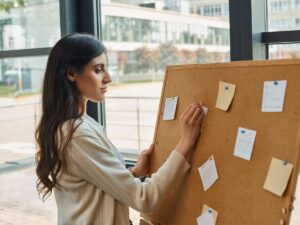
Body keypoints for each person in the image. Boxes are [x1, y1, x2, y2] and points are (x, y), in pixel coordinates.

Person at [35, 33, 205, 225]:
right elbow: (144, 198)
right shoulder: (76, 134)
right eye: (98, 70)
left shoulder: (78, 124)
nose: (108, 78)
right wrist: (186, 142)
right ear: (72, 74)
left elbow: (92, 183)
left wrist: (133, 173)